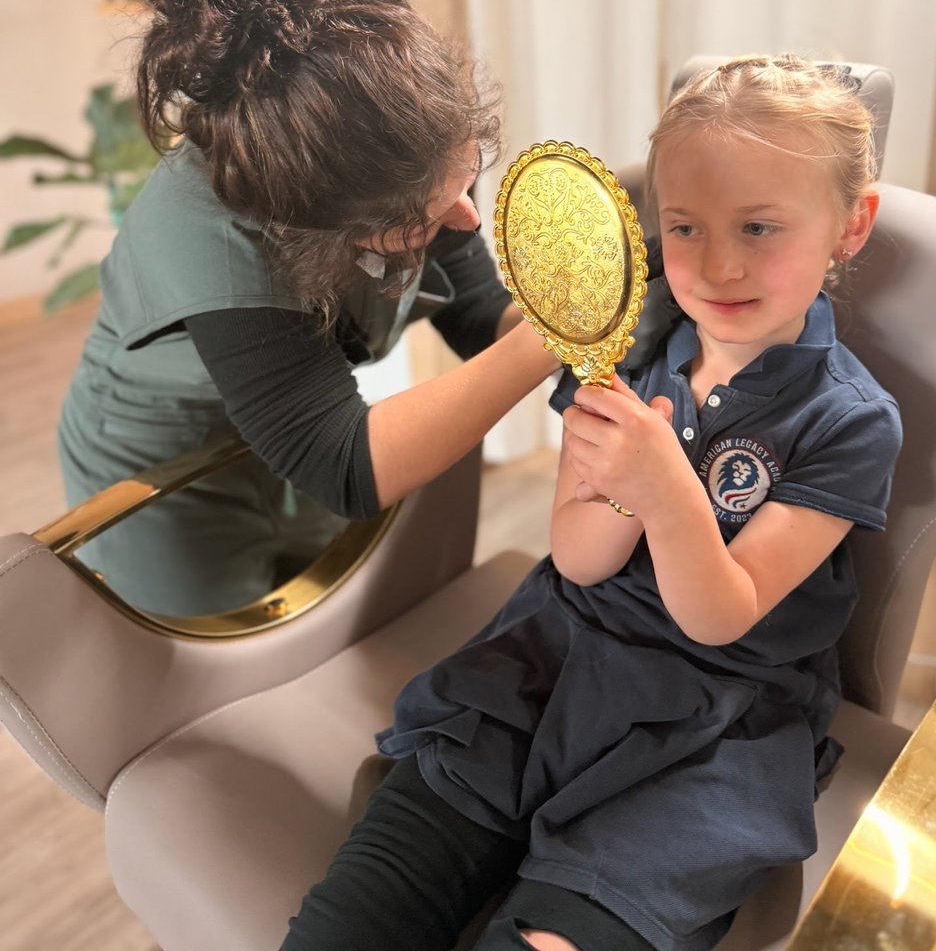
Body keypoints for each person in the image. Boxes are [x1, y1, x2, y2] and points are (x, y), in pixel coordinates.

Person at [280, 55, 904, 951]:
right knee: (356, 917)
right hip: (549, 662)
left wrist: (665, 486)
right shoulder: (628, 345)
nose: (718, 264)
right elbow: (576, 559)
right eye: (684, 227)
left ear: (851, 224)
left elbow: (720, 615)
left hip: (712, 723)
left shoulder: (849, 421)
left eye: (760, 226)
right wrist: (622, 493)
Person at [57, 0, 558, 615]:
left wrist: (594, 340)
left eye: (466, 175)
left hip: (288, 420)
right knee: (203, 656)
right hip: (161, 460)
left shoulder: (408, 145)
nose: (467, 218)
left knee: (325, 613)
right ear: (320, 225)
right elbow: (344, 464)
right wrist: (555, 338)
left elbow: (476, 307)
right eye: (427, 215)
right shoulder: (204, 234)